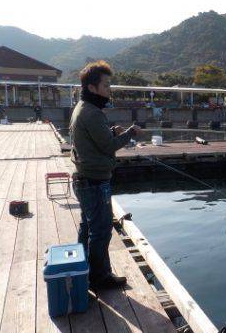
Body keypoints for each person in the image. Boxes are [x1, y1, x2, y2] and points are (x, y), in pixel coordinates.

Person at [69, 60, 141, 290]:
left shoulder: (83, 108)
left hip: (85, 180)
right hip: (94, 182)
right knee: (100, 231)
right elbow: (109, 147)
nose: (109, 90)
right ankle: (99, 277)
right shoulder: (92, 113)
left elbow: (96, 139)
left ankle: (84, 271)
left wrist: (110, 131)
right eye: (106, 85)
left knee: (88, 228)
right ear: (92, 88)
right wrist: (131, 132)